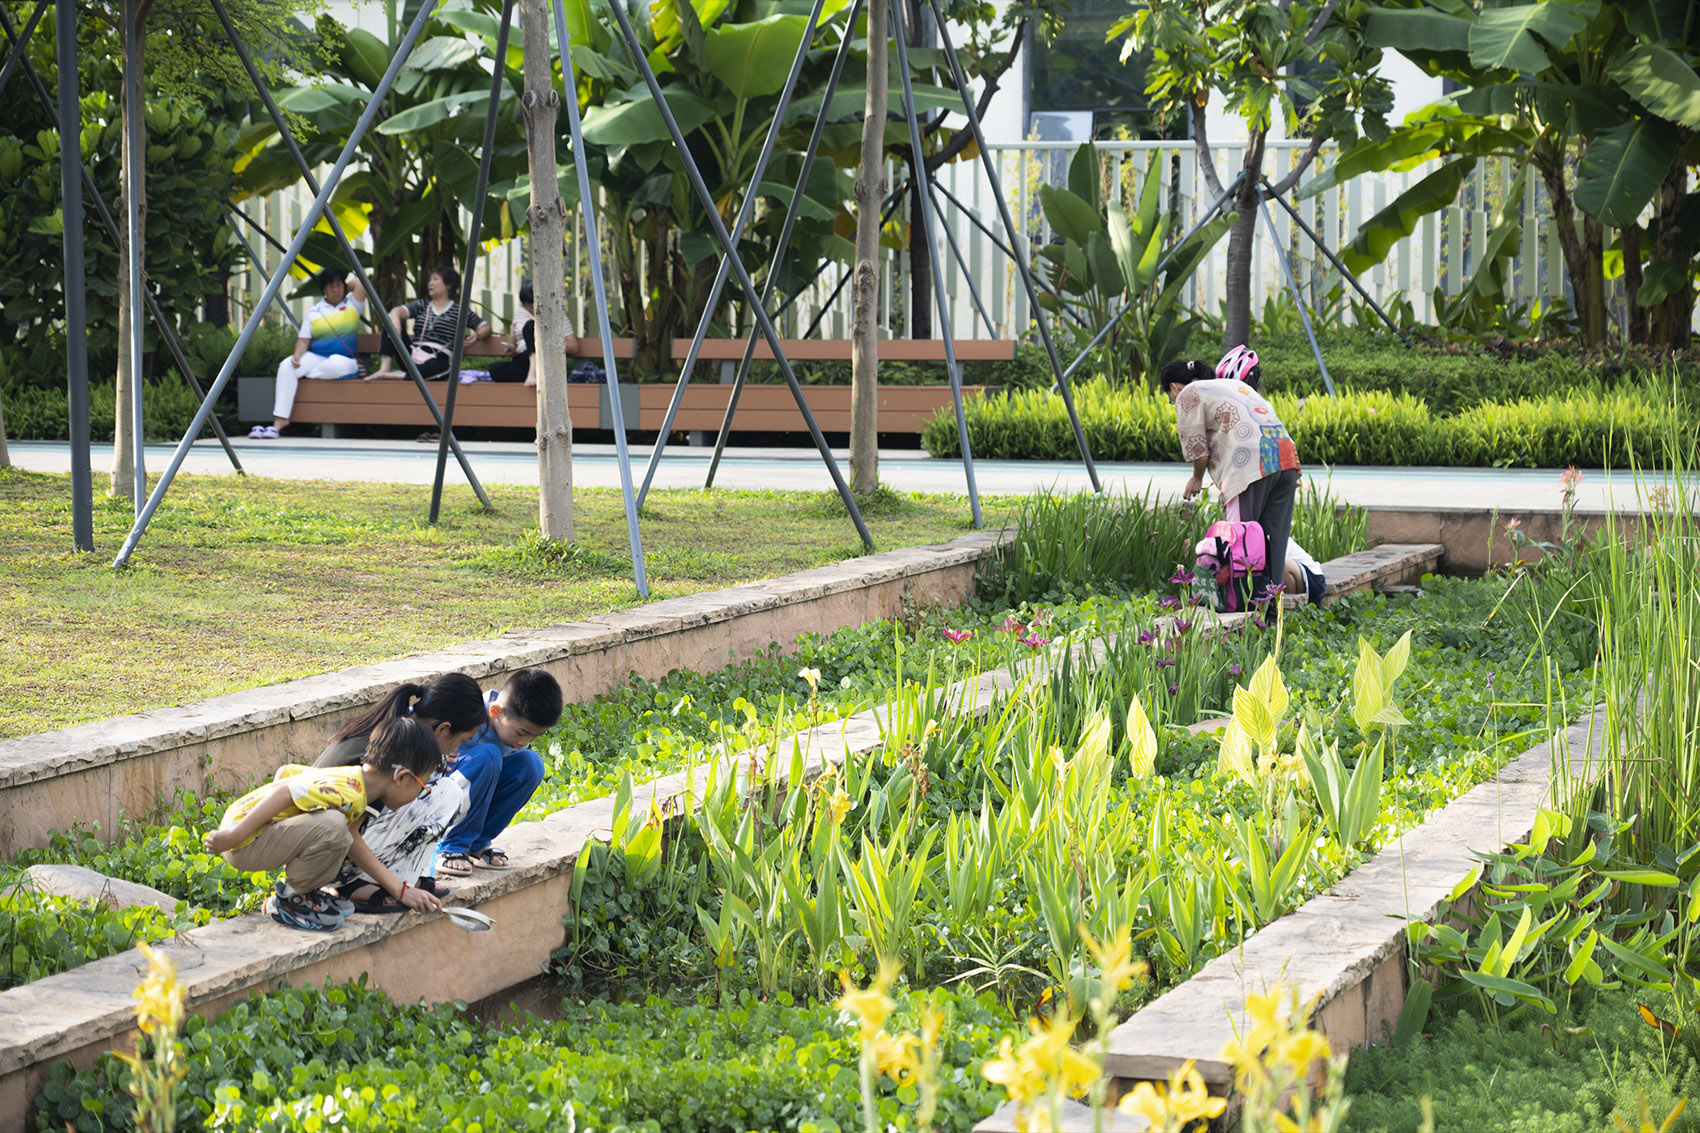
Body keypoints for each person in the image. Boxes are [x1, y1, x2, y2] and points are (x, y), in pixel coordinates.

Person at [203, 717, 445, 932]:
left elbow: (285, 773)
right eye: (421, 786)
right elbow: (285, 792)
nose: (418, 795)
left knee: (337, 829)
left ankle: (306, 894)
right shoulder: (348, 794)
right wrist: (234, 836)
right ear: (402, 778)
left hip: (246, 835)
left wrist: (400, 890)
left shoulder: (350, 779)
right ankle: (290, 900)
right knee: (333, 826)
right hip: (243, 843)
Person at [311, 673, 489, 912]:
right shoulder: (393, 754)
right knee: (440, 788)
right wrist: (398, 890)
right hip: (320, 856)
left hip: (329, 844)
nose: (455, 750)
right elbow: (346, 831)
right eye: (459, 741)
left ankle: (403, 877)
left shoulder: (398, 730)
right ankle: (352, 885)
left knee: (447, 791)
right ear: (443, 729)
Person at [1163, 356, 1302, 599]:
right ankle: (1271, 610)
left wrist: (1196, 478)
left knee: (1238, 541)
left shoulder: (1188, 394)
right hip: (1285, 456)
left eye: (1169, 397)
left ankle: (1241, 607)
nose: (1173, 401)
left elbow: (1198, 449)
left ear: (1174, 387)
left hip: (1249, 465)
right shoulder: (1232, 386)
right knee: (1274, 542)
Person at [437, 668, 563, 877]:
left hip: (471, 795)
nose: (524, 742)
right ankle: (450, 845)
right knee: (489, 755)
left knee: (531, 764)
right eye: (521, 733)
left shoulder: (511, 731)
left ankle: (476, 843)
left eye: (534, 737)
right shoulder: (465, 713)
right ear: (496, 711)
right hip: (435, 800)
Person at [256, 268, 366, 439]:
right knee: (286, 366)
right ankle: (279, 421)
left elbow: (361, 282)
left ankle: (306, 375)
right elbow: (304, 340)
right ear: (323, 290)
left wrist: (344, 285)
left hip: (346, 360)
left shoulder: (352, 305)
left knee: (336, 363)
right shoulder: (314, 311)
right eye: (331, 287)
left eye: (339, 286)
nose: (336, 290)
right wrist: (297, 356)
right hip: (317, 357)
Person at [369, 265, 490, 381]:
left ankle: (398, 376)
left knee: (437, 366)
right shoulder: (422, 305)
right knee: (389, 323)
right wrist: (395, 321)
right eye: (430, 280)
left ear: (448, 285)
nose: (430, 283)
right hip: (412, 355)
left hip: (438, 358)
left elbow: (485, 327)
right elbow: (396, 311)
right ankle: (385, 369)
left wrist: (477, 335)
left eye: (435, 279)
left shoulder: (460, 311)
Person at [1284, 538, 1327, 606]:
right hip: (1299, 578)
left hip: (1314, 579)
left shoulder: (1278, 535)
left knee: (1283, 565)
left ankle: (1290, 609)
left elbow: (1279, 564)